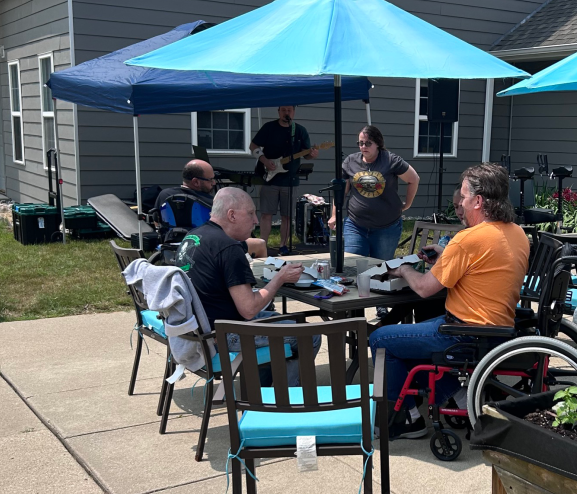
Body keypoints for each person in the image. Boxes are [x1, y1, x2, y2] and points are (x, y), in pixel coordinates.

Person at [368, 163, 529, 438]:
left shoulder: (467, 240)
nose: (460, 204)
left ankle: (408, 419)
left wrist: (402, 269)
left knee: (381, 338)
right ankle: (456, 394)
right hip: (499, 331)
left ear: (478, 201)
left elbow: (422, 289)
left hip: (463, 333)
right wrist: (446, 256)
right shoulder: (517, 233)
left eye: (464, 198)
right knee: (405, 339)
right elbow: (484, 268)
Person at [177, 187, 319, 382]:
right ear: (232, 215)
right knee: (309, 336)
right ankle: (286, 400)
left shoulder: (194, 236)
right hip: (222, 335)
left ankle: (262, 391)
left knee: (285, 319)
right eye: (251, 213)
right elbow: (249, 309)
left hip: (197, 332)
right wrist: (280, 278)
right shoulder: (228, 247)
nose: (255, 220)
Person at [328, 126, 420, 260]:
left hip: (387, 227)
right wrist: (334, 215)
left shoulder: (391, 160)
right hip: (355, 224)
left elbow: (414, 179)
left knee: (380, 268)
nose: (363, 146)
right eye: (360, 143)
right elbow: (341, 191)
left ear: (378, 144)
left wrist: (407, 204)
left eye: (368, 143)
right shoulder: (350, 161)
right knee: (352, 263)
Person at [249, 105, 319, 255]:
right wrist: (265, 160)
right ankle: (263, 245)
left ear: (294, 112)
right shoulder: (269, 128)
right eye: (283, 110)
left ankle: (283, 246)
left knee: (287, 215)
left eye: (289, 110)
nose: (286, 113)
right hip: (270, 179)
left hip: (290, 180)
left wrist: (312, 154)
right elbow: (253, 145)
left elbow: (306, 153)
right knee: (266, 214)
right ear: (279, 111)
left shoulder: (300, 131)